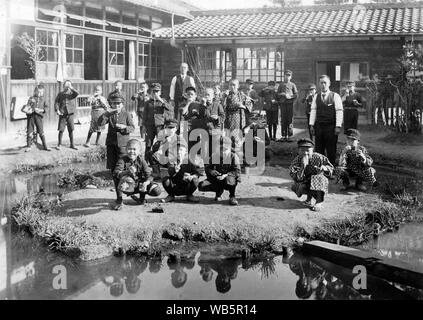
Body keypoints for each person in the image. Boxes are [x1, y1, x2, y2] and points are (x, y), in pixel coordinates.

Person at [98, 92, 135, 201]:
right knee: (114, 171)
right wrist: (106, 114)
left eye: (119, 103)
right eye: (114, 103)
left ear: (122, 104)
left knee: (126, 169)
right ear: (111, 104)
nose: (117, 106)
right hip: (111, 146)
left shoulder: (126, 114)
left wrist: (124, 127)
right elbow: (100, 123)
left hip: (123, 146)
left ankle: (131, 190)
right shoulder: (110, 114)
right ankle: (119, 197)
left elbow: (132, 127)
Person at [113, 139, 161, 210]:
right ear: (126, 150)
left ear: (139, 151)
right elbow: (116, 172)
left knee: (156, 190)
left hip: (138, 185)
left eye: (134, 149)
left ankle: (141, 199)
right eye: (129, 149)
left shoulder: (141, 161)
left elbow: (149, 175)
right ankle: (119, 200)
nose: (132, 151)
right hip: (127, 184)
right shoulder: (122, 160)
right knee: (117, 177)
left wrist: (146, 183)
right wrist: (127, 172)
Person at [289, 138, 334, 212]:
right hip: (305, 182)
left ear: (312, 150)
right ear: (298, 151)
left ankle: (319, 202)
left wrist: (324, 168)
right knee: (296, 186)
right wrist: (302, 167)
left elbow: (331, 168)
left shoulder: (319, 157)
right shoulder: (296, 160)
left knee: (317, 177)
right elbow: (294, 176)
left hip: (320, 183)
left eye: (308, 150)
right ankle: (308, 199)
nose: (305, 153)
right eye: (302, 150)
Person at [309, 75, 343, 167]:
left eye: (325, 83)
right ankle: (319, 168)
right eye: (321, 83)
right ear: (319, 84)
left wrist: (338, 126)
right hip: (319, 126)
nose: (323, 85)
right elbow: (313, 111)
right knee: (319, 148)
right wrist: (312, 125)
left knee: (331, 148)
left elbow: (339, 111)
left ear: (329, 84)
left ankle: (331, 168)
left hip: (331, 127)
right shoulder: (316, 96)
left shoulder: (335, 96)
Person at [198, 136, 242, 206]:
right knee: (201, 185)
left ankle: (232, 196)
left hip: (229, 179)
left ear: (230, 148)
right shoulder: (215, 156)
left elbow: (237, 171)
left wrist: (226, 175)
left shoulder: (233, 156)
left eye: (225, 149)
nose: (222, 152)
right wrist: (211, 171)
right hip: (217, 179)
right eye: (220, 149)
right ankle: (218, 192)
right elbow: (207, 168)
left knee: (229, 180)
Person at [143, 83, 172, 155]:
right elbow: (144, 115)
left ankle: (162, 160)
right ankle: (146, 161)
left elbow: (170, 109)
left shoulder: (163, 101)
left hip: (160, 125)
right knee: (148, 144)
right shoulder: (148, 102)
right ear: (151, 92)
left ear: (160, 92)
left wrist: (160, 100)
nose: (155, 93)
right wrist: (144, 126)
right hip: (150, 125)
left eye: (157, 91)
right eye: (153, 91)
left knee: (161, 142)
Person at [21, 84, 51, 152]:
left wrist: (41, 110)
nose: (40, 94)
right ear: (35, 91)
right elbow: (27, 106)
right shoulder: (31, 98)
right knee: (30, 131)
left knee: (41, 131)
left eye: (41, 92)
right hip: (31, 116)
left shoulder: (44, 99)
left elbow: (46, 108)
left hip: (38, 117)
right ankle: (28, 146)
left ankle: (45, 146)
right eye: (38, 92)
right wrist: (27, 110)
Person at [223, 79, 253, 146]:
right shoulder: (226, 95)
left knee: (238, 140)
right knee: (229, 139)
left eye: (234, 85)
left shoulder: (241, 95)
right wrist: (224, 97)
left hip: (239, 118)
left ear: (238, 86)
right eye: (230, 85)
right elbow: (221, 107)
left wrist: (243, 106)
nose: (232, 87)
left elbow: (250, 104)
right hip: (229, 119)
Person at [180, 86, 208, 152]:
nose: (190, 96)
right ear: (185, 95)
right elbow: (183, 113)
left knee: (197, 147)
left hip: (196, 128)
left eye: (192, 94)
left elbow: (204, 114)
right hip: (187, 128)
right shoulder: (183, 104)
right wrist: (188, 103)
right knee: (188, 147)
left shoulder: (198, 104)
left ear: (195, 96)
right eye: (188, 94)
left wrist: (203, 104)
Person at [54, 80, 79, 150]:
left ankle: (72, 144)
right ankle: (59, 144)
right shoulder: (60, 94)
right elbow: (56, 102)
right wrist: (57, 110)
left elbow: (77, 93)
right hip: (62, 114)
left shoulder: (72, 93)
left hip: (70, 114)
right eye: (66, 85)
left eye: (69, 85)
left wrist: (71, 88)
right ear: (63, 86)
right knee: (61, 129)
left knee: (71, 129)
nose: (67, 86)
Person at [277, 70, 298, 142]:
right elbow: (277, 94)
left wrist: (291, 96)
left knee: (290, 119)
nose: (287, 77)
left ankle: (290, 136)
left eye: (289, 76)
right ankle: (283, 135)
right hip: (283, 104)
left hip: (290, 104)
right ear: (284, 76)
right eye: (286, 75)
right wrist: (282, 94)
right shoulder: (281, 85)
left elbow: (296, 95)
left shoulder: (293, 85)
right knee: (283, 119)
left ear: (291, 77)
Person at [203, 88, 225, 157]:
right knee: (206, 150)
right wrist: (203, 106)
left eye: (208, 95)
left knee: (215, 150)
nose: (207, 96)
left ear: (213, 96)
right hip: (205, 130)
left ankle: (215, 166)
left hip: (215, 130)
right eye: (205, 95)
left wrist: (217, 118)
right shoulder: (202, 105)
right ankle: (207, 166)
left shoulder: (218, 105)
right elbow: (201, 117)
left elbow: (223, 117)